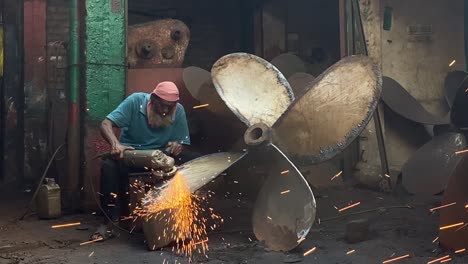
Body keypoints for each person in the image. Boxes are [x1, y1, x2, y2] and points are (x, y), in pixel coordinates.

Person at [91, 81, 194, 241]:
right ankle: (109, 221)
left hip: (160, 159)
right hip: (132, 157)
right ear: (153, 99)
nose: (166, 111)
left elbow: (183, 143)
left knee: (190, 161)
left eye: (170, 106)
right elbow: (106, 124)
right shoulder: (135, 101)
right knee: (109, 166)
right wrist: (115, 144)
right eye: (162, 106)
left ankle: (180, 222)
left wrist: (178, 146)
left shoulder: (178, 110)